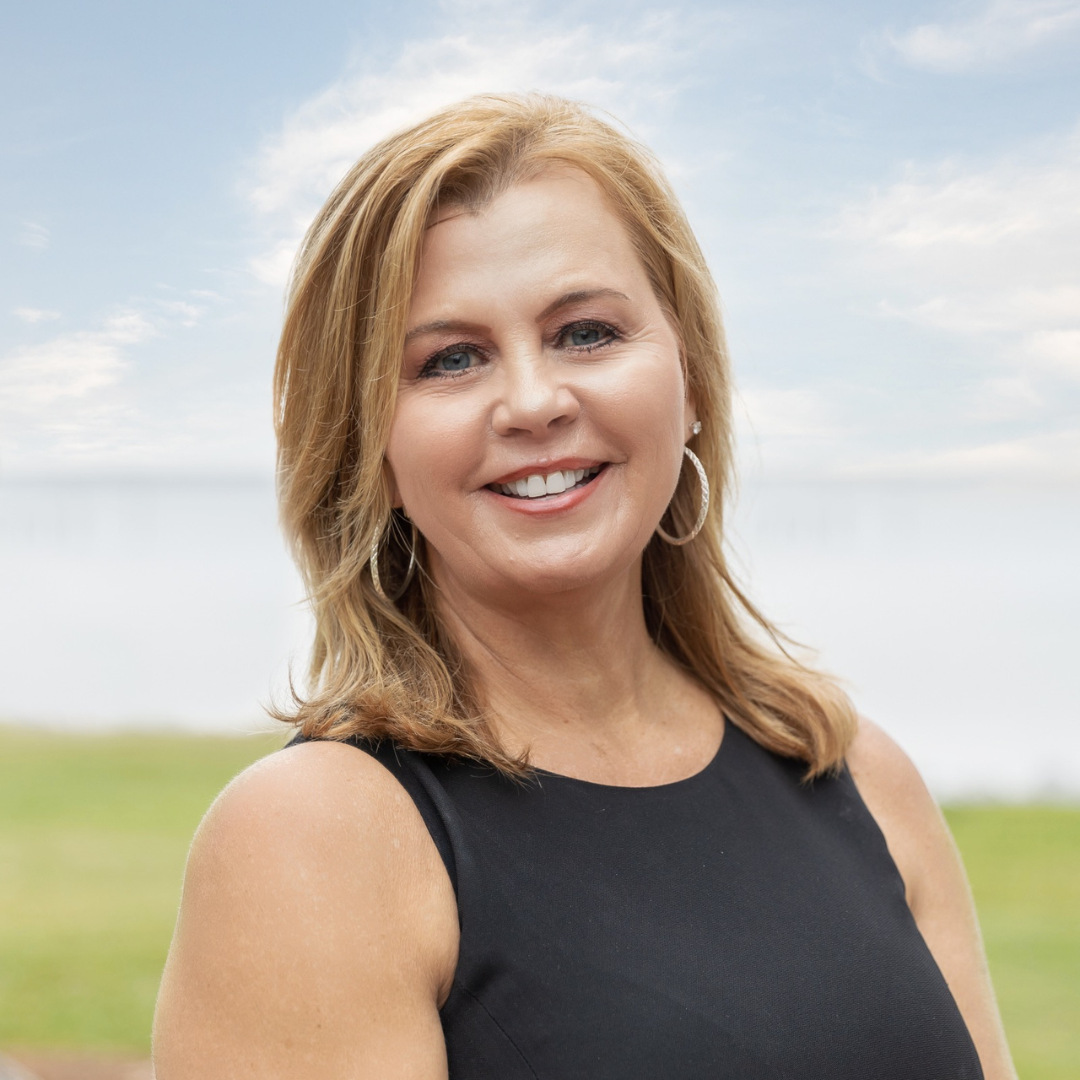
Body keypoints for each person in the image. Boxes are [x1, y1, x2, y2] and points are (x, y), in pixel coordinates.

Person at [152, 93, 1017, 1079]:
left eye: (587, 334)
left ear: (689, 377)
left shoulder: (859, 774)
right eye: (452, 360)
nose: (532, 402)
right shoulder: (313, 840)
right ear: (370, 448)